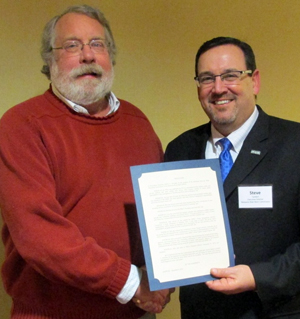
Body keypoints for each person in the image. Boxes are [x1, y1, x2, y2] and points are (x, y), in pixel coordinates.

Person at [0, 5, 174, 319]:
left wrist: (166, 274)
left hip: (135, 312)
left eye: (97, 44)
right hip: (52, 313)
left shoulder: (138, 123)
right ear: (49, 60)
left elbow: (161, 214)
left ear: (111, 56)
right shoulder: (22, 125)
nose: (88, 55)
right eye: (71, 46)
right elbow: (41, 238)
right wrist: (132, 282)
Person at [164, 36, 300, 318]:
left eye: (230, 76)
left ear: (255, 81)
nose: (218, 88)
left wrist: (257, 277)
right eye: (206, 78)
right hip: (200, 311)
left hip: (274, 310)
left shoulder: (294, 144)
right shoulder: (179, 149)